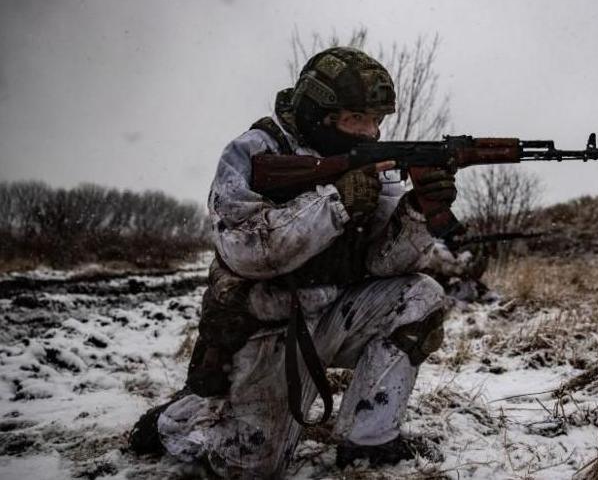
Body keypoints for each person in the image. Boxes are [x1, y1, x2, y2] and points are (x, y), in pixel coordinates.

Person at [128, 47, 463, 478]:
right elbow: (245, 250)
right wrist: (335, 203)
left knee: (420, 296)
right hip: (264, 330)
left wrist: (418, 212)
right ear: (318, 112)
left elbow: (385, 264)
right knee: (250, 469)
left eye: (377, 120)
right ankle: (177, 419)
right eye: (356, 119)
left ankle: (370, 441)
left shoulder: (370, 164)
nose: (371, 131)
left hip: (333, 317)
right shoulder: (254, 151)